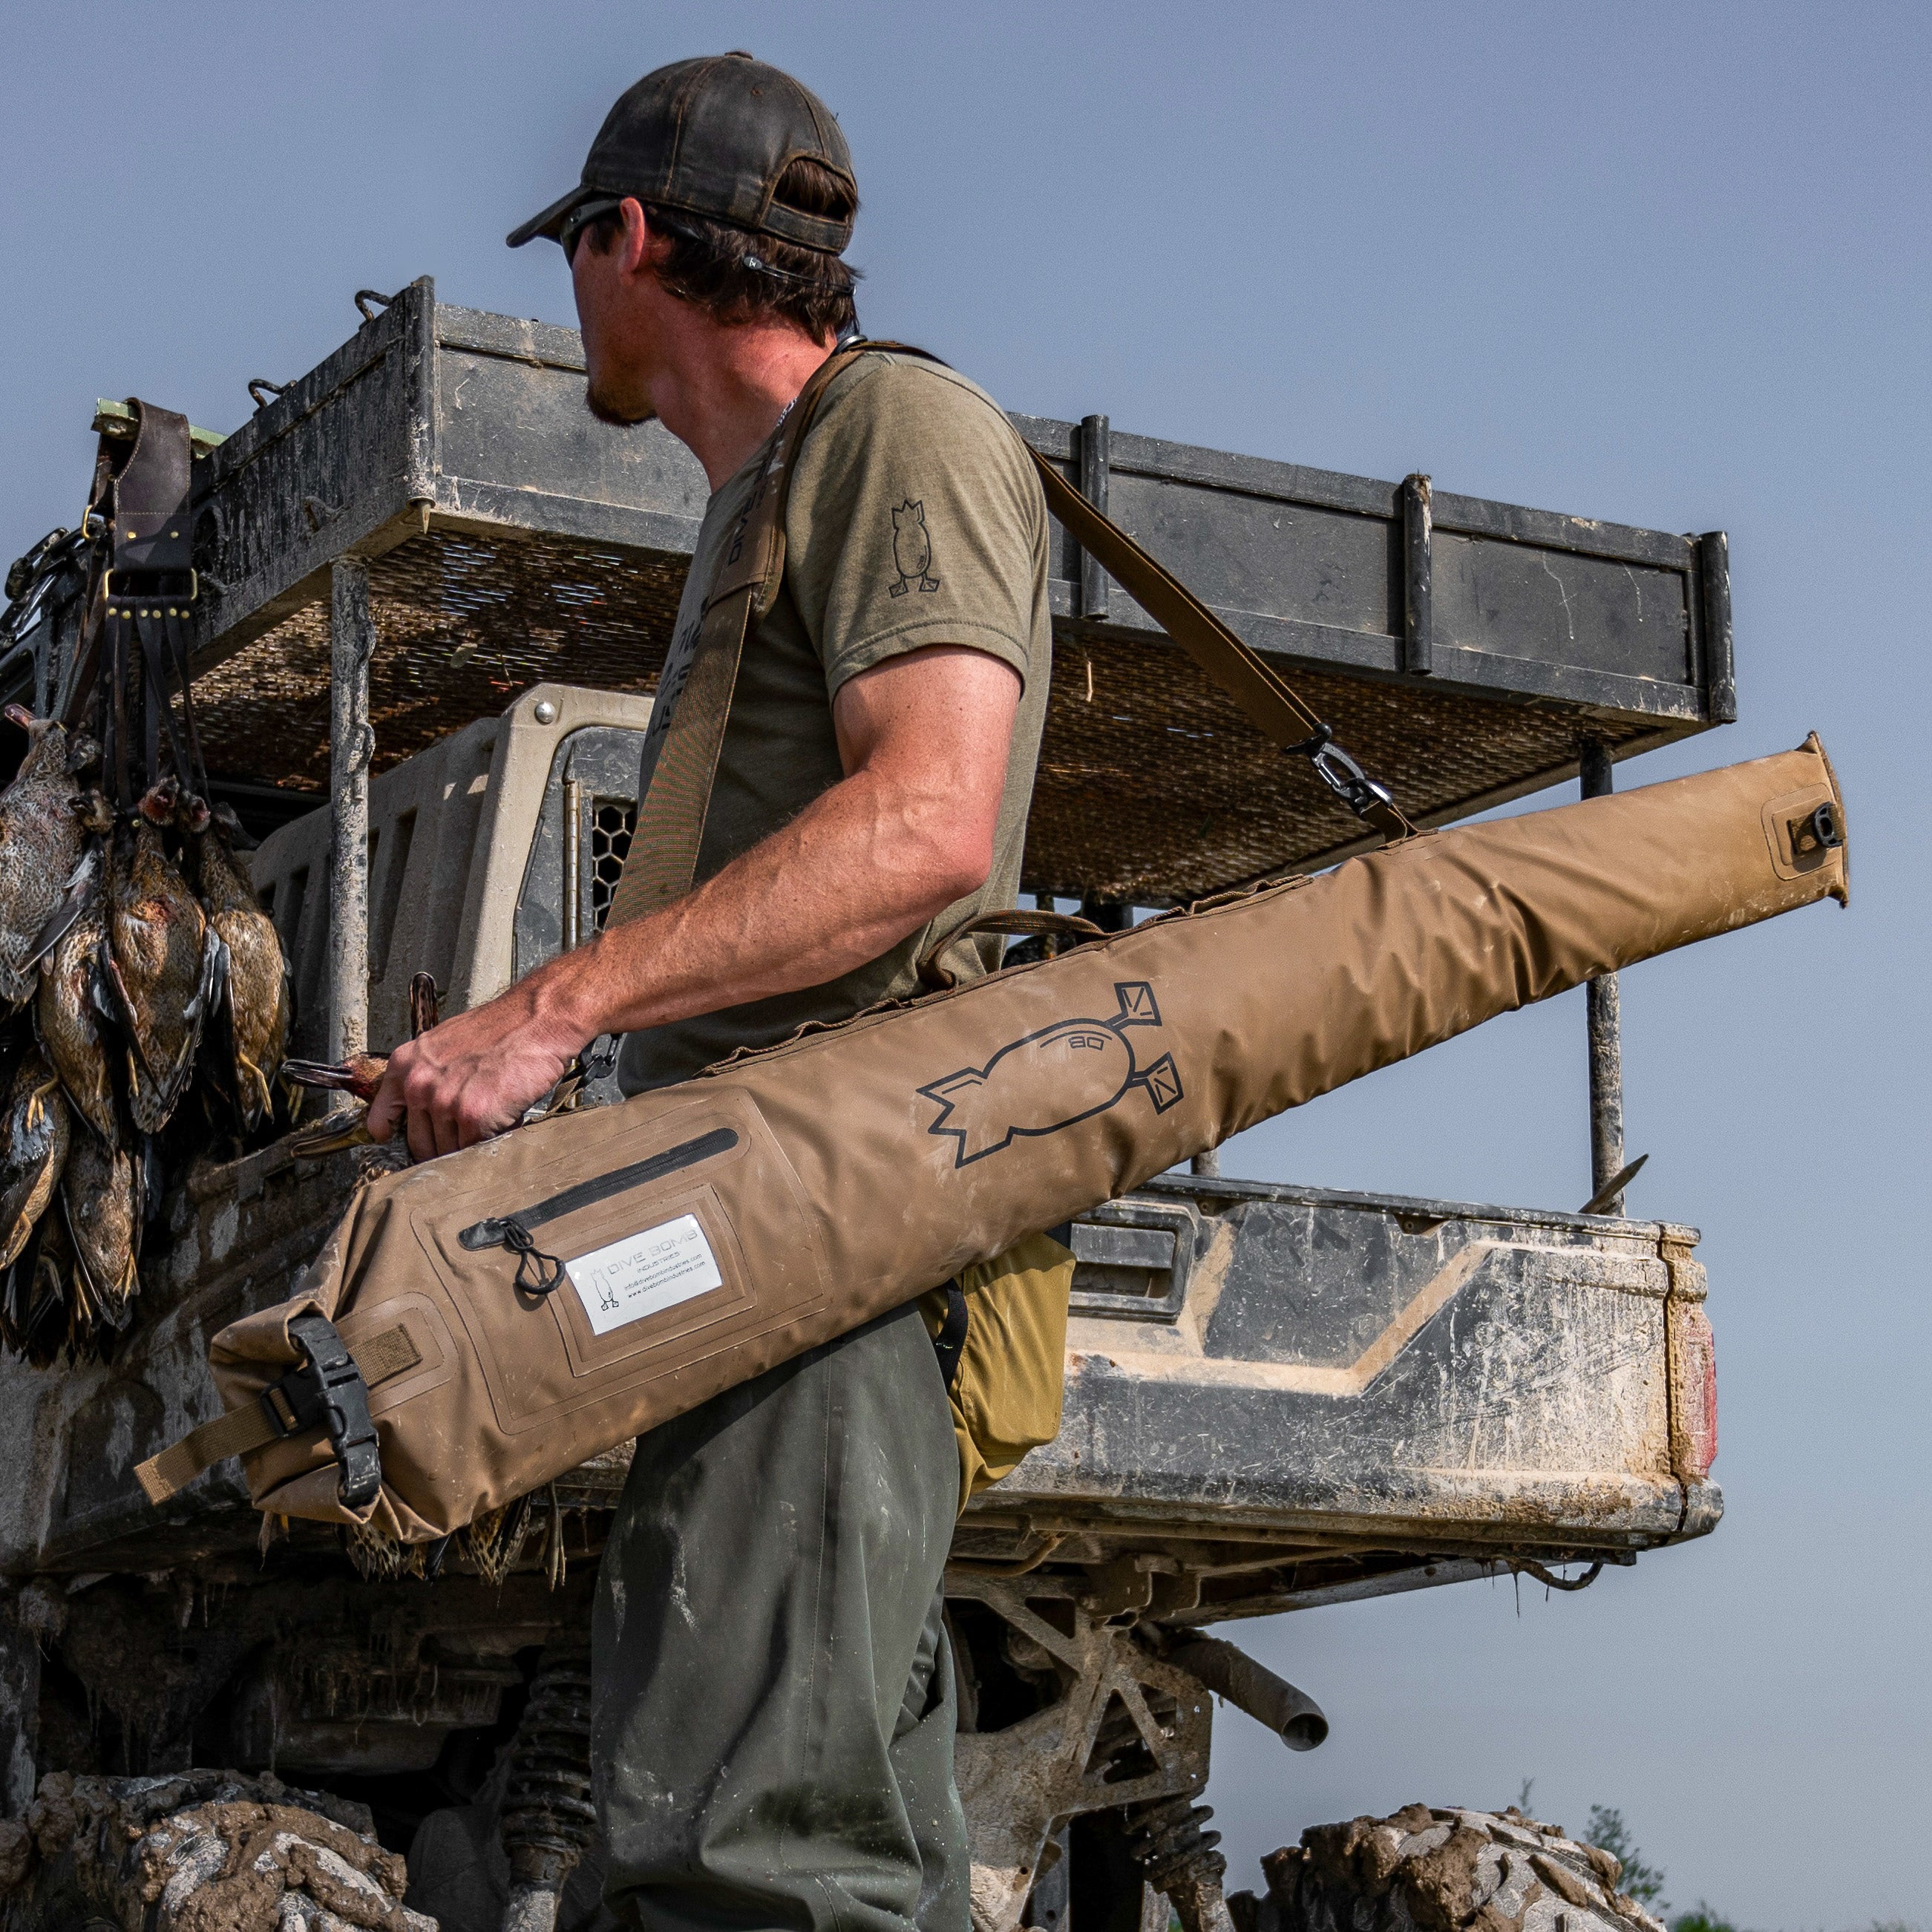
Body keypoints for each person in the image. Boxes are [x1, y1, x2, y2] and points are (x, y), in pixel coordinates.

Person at [364, 51, 1053, 1932]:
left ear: (632, 240)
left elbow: (926, 822)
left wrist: (557, 1007)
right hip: (763, 1249)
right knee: (790, 1854)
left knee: (760, 1875)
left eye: (571, 246)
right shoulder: (772, 498)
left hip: (833, 1239)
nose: (565, 289)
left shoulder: (895, 439)